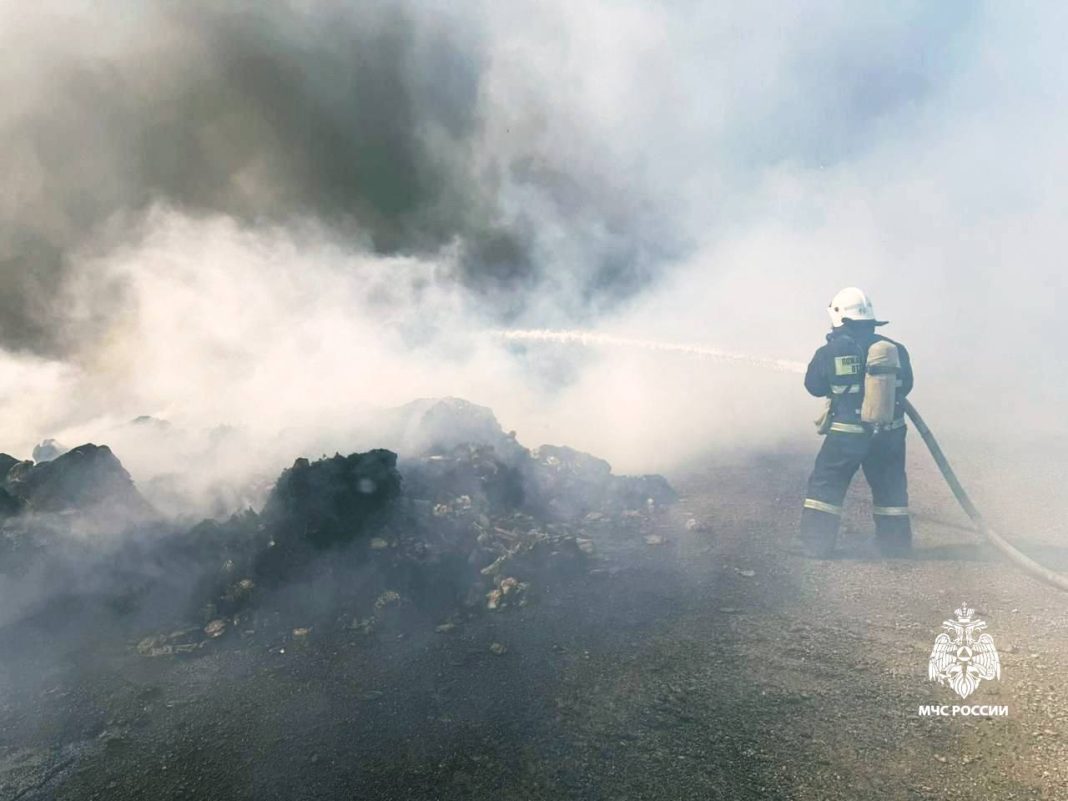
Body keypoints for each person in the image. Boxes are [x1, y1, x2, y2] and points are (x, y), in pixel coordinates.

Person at [798, 287, 913, 558]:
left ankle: (816, 545)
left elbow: (813, 386)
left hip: (847, 434)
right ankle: (895, 547)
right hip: (889, 433)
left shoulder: (829, 351)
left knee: (826, 487)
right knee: (891, 488)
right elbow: (906, 386)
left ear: (839, 317)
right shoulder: (895, 349)